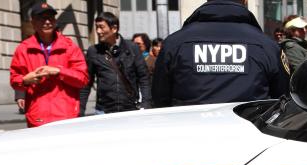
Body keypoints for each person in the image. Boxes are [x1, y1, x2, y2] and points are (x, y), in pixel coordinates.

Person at [151, 0, 288, 107]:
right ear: (245, 1)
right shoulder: (267, 46)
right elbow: (284, 99)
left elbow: (159, 99)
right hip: (251, 138)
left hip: (188, 136)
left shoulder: (175, 43)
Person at [10, 3, 88, 128]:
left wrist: (59, 71)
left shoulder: (70, 47)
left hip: (66, 116)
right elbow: (14, 79)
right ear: (33, 22)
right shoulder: (23, 49)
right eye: (42, 18)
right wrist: (25, 81)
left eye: (50, 18)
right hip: (38, 118)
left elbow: (82, 79)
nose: (47, 22)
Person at [80, 13, 151, 115]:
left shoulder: (132, 48)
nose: (98, 31)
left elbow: (144, 78)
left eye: (101, 27)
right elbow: (86, 83)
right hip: (103, 111)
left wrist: (146, 104)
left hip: (130, 109)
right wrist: (80, 109)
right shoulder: (93, 51)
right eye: (96, 27)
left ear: (114, 28)